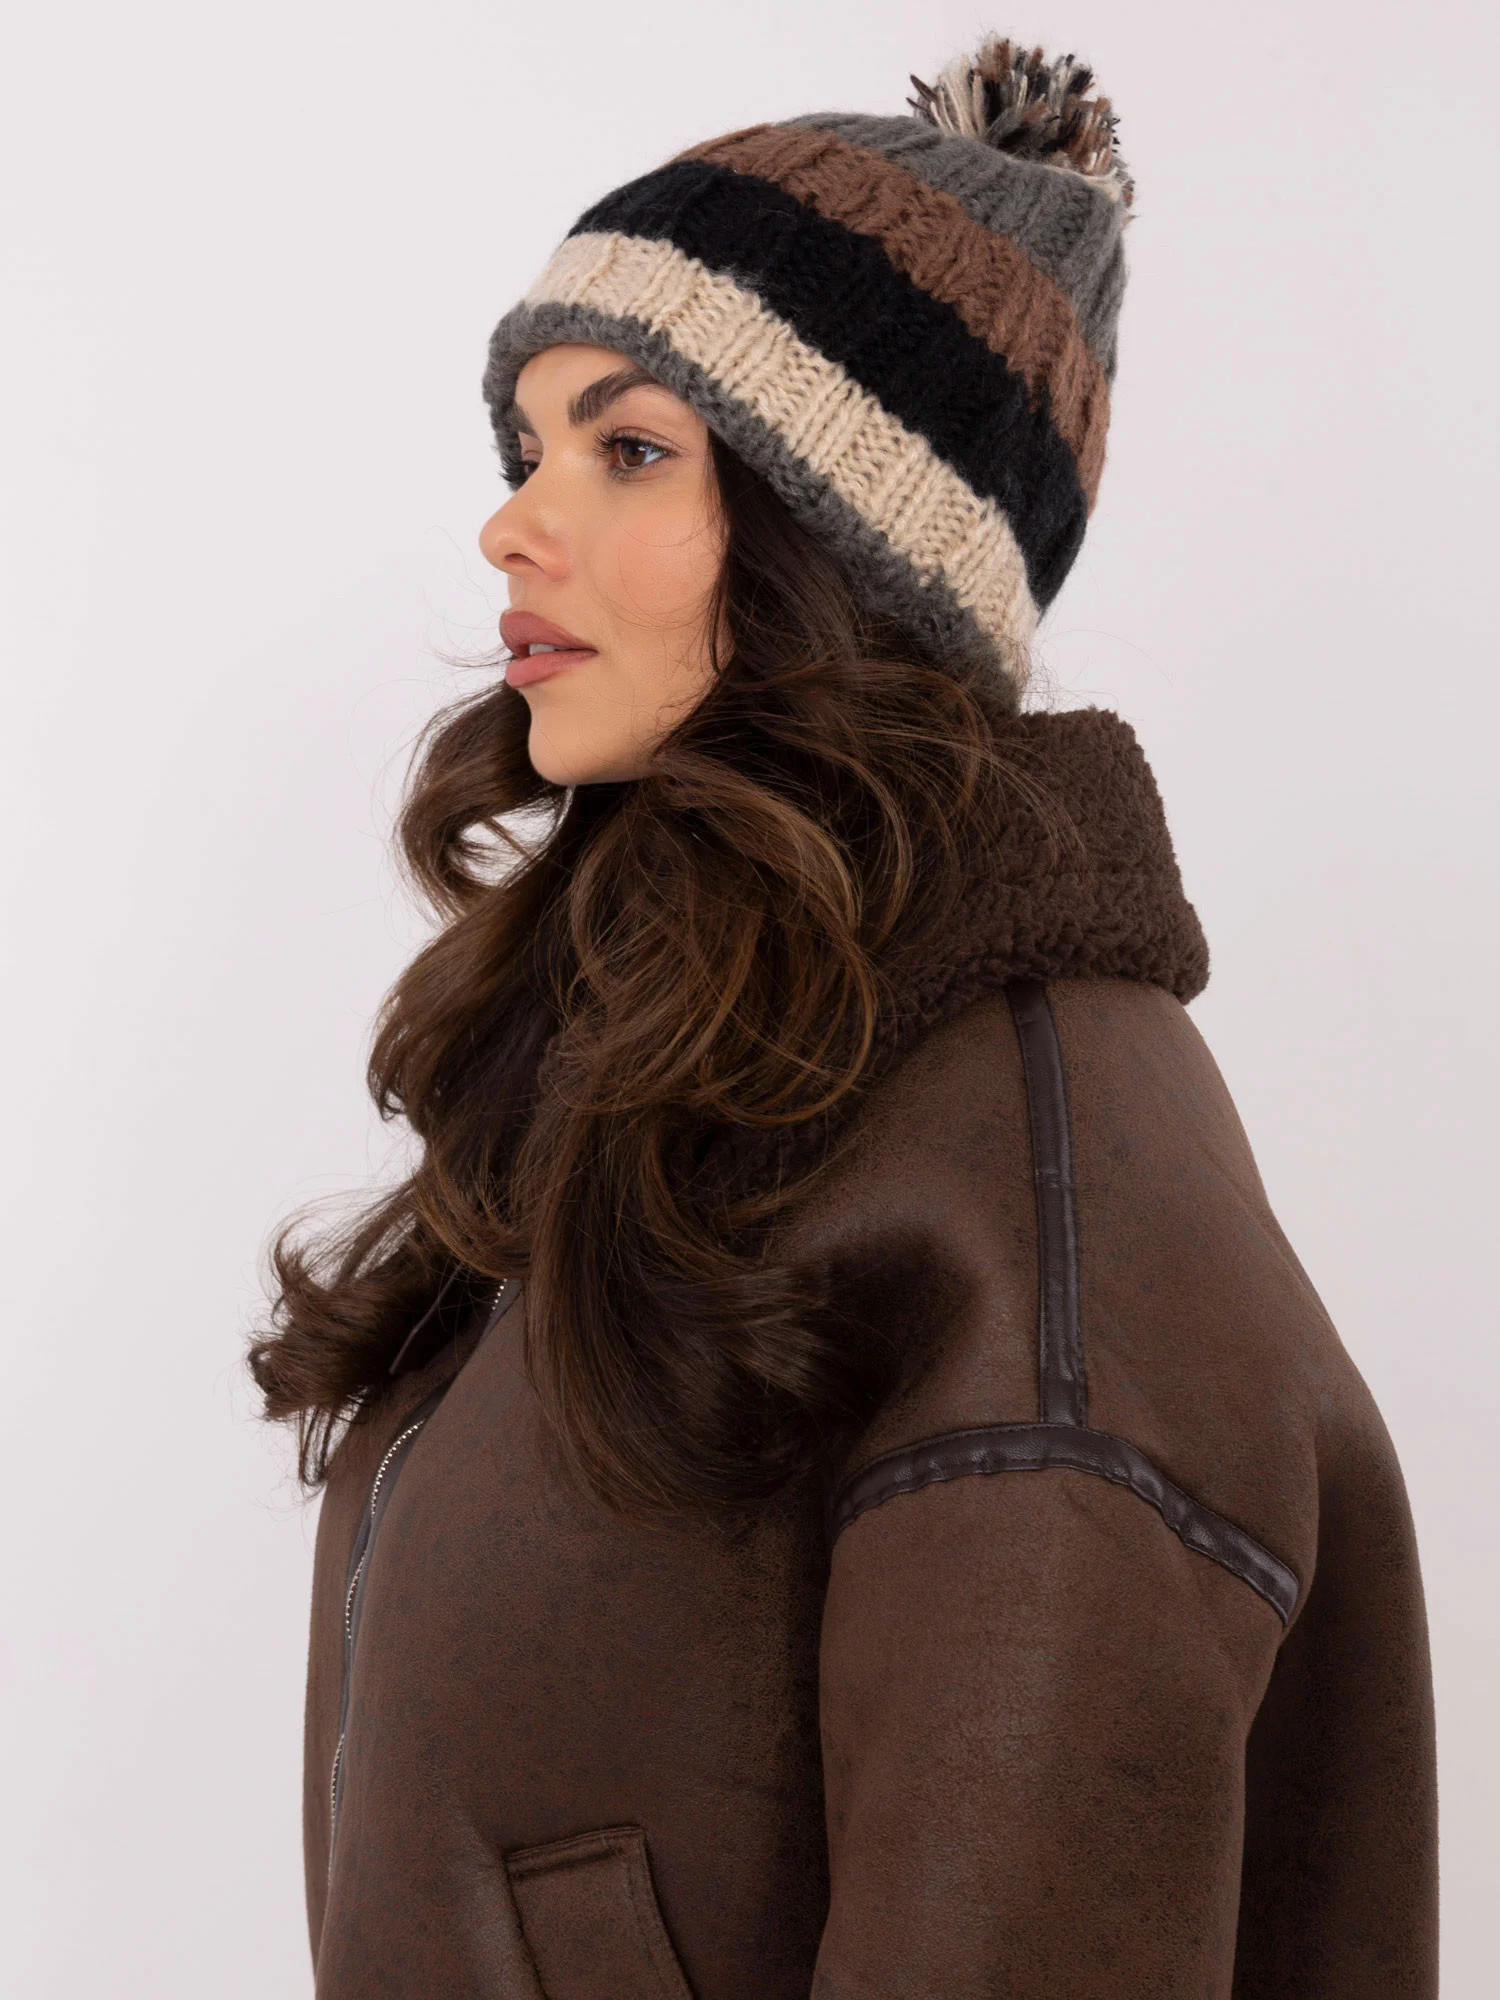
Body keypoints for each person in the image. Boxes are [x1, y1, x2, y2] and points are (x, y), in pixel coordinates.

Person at [251, 33, 1438, 1998]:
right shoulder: (694, 1091)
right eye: (525, 451)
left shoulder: (1038, 1179)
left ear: (851, 542)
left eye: (630, 450)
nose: (515, 526)